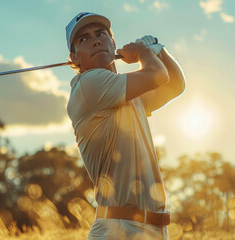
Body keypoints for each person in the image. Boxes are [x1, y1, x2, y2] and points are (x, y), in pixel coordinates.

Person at [66, 12, 185, 239]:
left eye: (101, 34)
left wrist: (159, 49)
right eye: (84, 39)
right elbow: (158, 75)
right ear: (74, 58)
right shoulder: (89, 84)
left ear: (113, 44)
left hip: (153, 229)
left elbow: (175, 84)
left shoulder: (126, 93)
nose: (96, 40)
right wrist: (143, 52)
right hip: (119, 229)